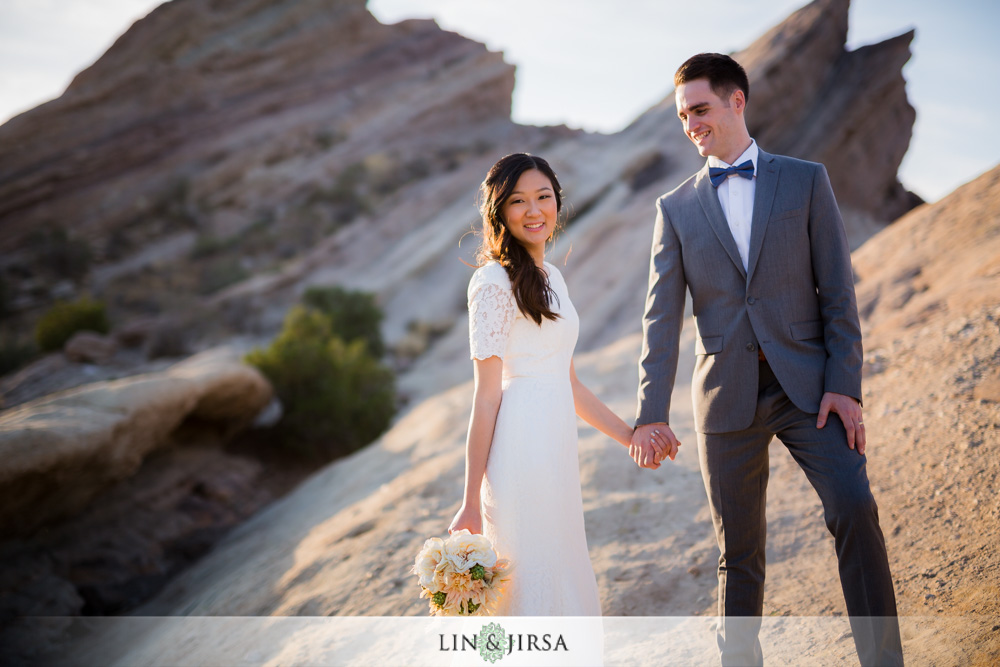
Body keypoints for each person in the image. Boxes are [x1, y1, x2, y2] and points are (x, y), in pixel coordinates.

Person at [629, 53, 904, 666]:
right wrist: (650, 413)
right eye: (682, 116)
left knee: (855, 508)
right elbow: (660, 319)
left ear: (737, 101)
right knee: (741, 556)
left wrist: (846, 385)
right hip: (725, 399)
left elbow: (837, 292)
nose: (691, 124)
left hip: (810, 389)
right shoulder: (674, 209)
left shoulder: (805, 180)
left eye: (700, 109)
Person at [447, 152, 635, 616]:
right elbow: (486, 396)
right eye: (518, 201)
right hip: (518, 448)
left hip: (556, 445)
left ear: (557, 201)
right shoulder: (491, 281)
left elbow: (568, 382)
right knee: (529, 572)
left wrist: (630, 437)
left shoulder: (553, 277)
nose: (534, 211)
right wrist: (470, 501)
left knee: (562, 562)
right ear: (499, 211)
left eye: (543, 197)